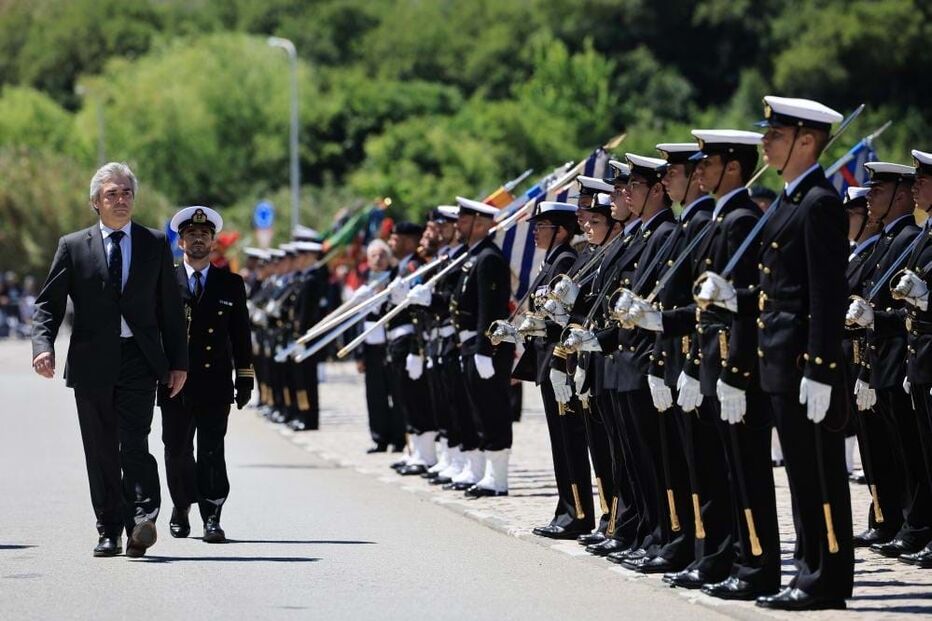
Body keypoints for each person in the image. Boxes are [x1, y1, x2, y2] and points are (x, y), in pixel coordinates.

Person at [699, 97, 853, 610]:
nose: (765, 142)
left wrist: (820, 367)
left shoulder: (820, 204)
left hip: (803, 367)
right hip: (778, 364)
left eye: (777, 134)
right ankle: (808, 570)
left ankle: (827, 577)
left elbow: (825, 295)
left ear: (807, 141)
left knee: (821, 478)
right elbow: (774, 294)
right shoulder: (788, 202)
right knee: (801, 482)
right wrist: (733, 299)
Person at [31, 162, 188, 558]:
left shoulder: (154, 243)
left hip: (140, 357)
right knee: (100, 447)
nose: (120, 200)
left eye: (126, 193)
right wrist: (43, 345)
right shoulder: (73, 246)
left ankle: (142, 520)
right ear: (95, 203)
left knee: (135, 441)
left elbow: (170, 308)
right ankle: (108, 529)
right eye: (111, 194)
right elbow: (48, 304)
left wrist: (178, 363)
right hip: (91, 361)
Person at [159, 206, 253, 544]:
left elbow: (241, 334)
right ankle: (181, 504)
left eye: (204, 235)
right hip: (175, 381)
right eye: (191, 235)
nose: (198, 240)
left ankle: (212, 514)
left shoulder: (230, 283)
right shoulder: (166, 279)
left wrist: (245, 377)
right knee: (177, 448)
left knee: (213, 449)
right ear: (181, 242)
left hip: (214, 381)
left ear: (213, 242)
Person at [355, 238, 404, 453]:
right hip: (371, 346)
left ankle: (399, 438)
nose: (378, 259)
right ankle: (379, 438)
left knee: (396, 392)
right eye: (373, 256)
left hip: (391, 342)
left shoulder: (397, 278)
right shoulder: (364, 281)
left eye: (382, 255)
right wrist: (358, 354)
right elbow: (356, 321)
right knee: (375, 395)